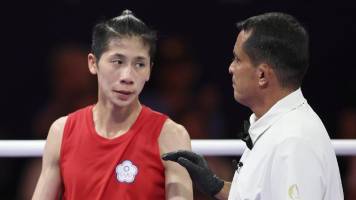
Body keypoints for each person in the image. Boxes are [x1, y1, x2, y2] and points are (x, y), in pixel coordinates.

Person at [163, 12, 344, 200]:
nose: (231, 68)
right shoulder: (277, 127)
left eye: (238, 59)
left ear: (262, 75)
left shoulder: (293, 141)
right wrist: (216, 186)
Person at [32, 10, 193, 200]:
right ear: (93, 63)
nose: (127, 77)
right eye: (118, 62)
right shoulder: (62, 131)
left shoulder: (171, 136)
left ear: (150, 70)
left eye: (139, 64)